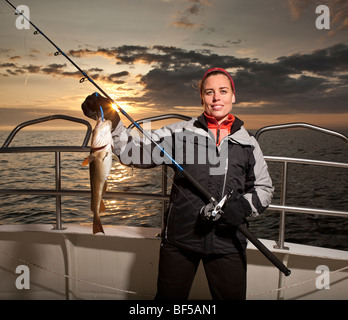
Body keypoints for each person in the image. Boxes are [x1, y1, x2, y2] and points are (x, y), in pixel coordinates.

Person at [82, 67, 274, 300]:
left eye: (223, 91)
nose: (216, 98)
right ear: (202, 97)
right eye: (209, 92)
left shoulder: (248, 143)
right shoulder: (179, 133)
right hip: (180, 241)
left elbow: (264, 189)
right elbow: (134, 153)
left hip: (229, 244)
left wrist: (243, 207)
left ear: (233, 96)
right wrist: (113, 121)